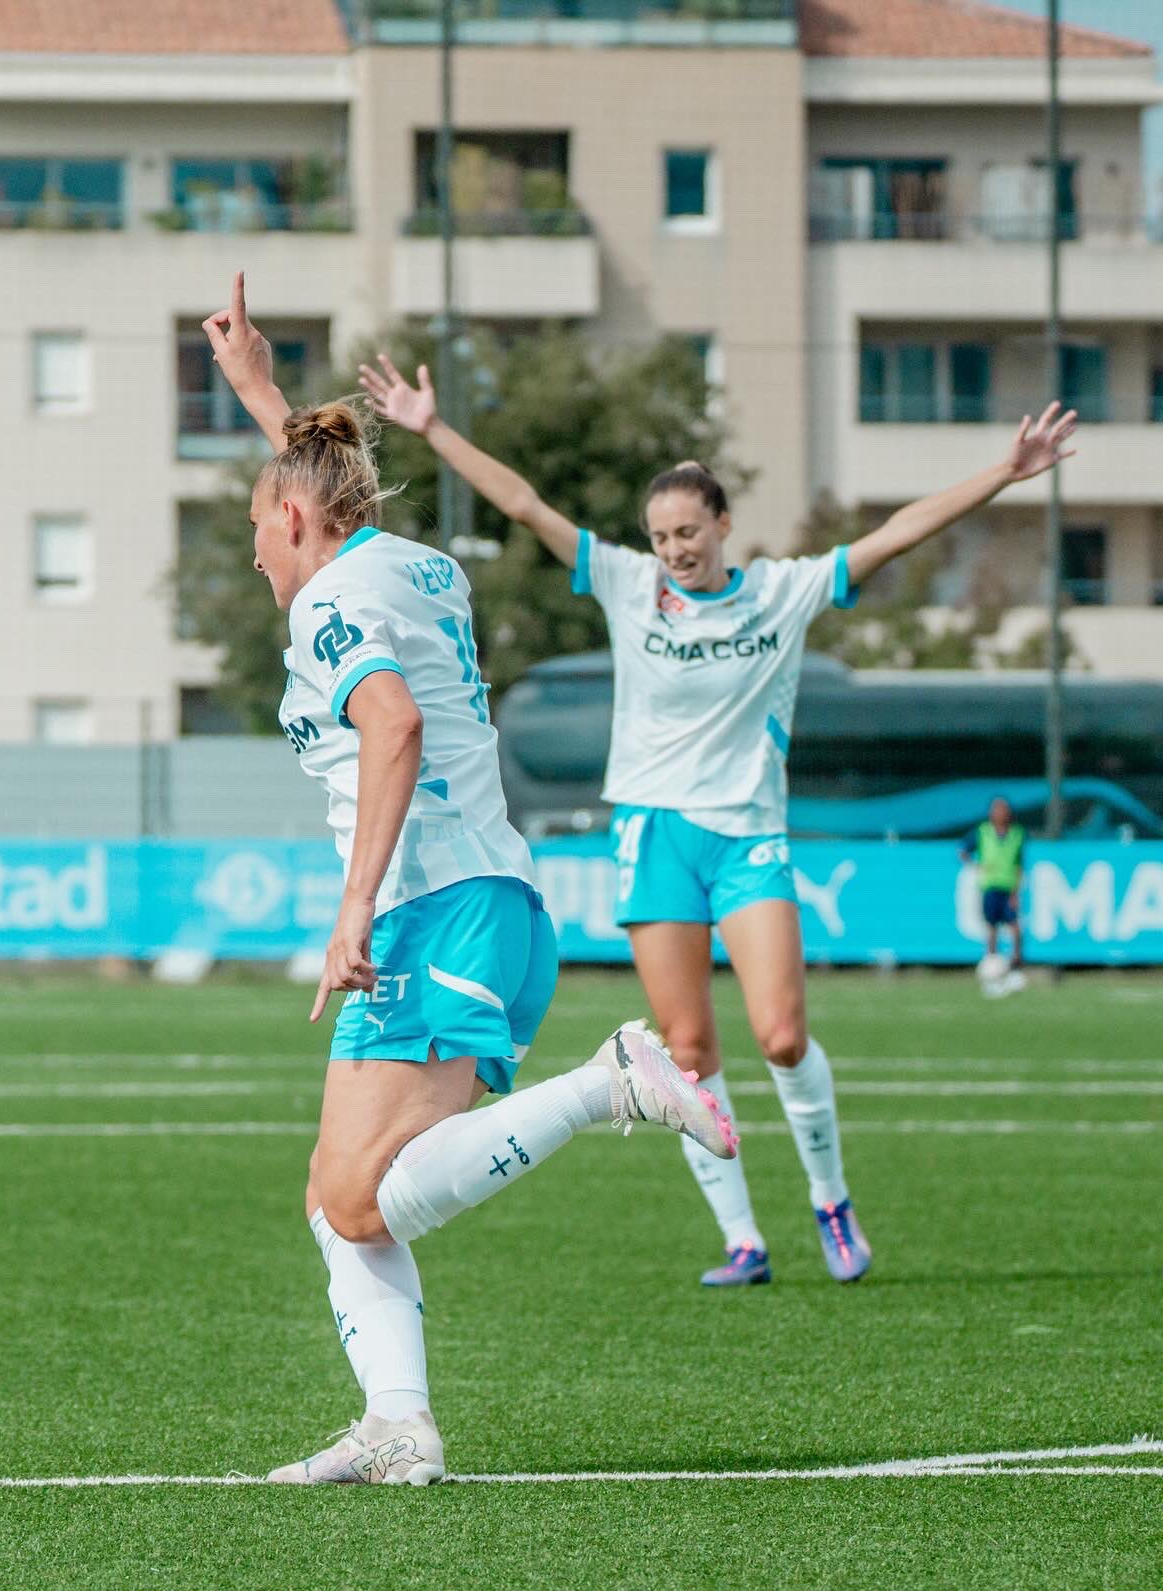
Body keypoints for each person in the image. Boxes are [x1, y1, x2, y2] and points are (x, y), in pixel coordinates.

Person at [360, 351, 1078, 1289]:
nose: (673, 549)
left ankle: (830, 1198)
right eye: (660, 535)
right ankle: (743, 1237)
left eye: (688, 531)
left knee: (780, 1033)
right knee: (689, 1051)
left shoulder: (782, 594)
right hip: (654, 836)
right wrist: (432, 428)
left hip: (747, 835)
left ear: (723, 523)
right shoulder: (625, 585)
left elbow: (896, 533)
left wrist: (1004, 473)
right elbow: (528, 506)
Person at [201, 275, 737, 1485]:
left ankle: (606, 1086)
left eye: (252, 526)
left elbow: (391, 729)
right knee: (339, 1200)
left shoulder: (327, 602)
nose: (250, 549)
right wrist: (259, 393)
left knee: (357, 1198)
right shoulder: (409, 563)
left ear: (291, 522)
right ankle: (399, 1423)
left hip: (427, 911)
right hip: (492, 904)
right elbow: (322, 488)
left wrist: (350, 911)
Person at [962, 795, 1027, 974]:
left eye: (1004, 810)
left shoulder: (1017, 833)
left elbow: (1019, 864)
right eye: (997, 809)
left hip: (1008, 886)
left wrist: (1016, 890)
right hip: (990, 886)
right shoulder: (983, 832)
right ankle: (991, 961)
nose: (1001, 813)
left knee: (1014, 925)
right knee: (992, 926)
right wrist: (976, 866)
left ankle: (1017, 963)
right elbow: (962, 851)